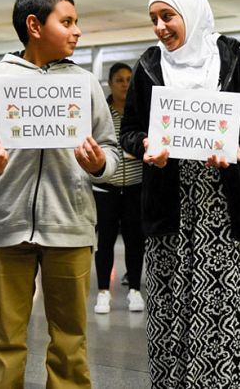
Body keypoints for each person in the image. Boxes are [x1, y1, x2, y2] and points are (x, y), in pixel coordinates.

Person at [0, 0, 119, 389]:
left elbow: (112, 153)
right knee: (5, 341)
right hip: (7, 227)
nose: (77, 31)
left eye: (76, 22)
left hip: (71, 226)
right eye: (67, 22)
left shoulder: (85, 84)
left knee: (70, 342)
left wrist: (100, 164)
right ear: (34, 25)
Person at [120, 0, 240, 388]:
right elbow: (130, 128)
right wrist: (146, 144)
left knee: (220, 304)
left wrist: (237, 141)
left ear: (192, 14)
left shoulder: (232, 58)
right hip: (167, 202)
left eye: (167, 17)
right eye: (153, 19)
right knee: (169, 304)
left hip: (222, 202)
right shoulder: (149, 65)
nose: (160, 27)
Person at [93, 62, 146, 314]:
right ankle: (103, 291)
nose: (125, 84)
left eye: (128, 79)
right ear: (110, 83)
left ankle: (135, 289)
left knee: (135, 241)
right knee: (105, 241)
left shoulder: (140, 113)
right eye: (119, 80)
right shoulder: (101, 113)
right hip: (106, 188)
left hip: (135, 187)